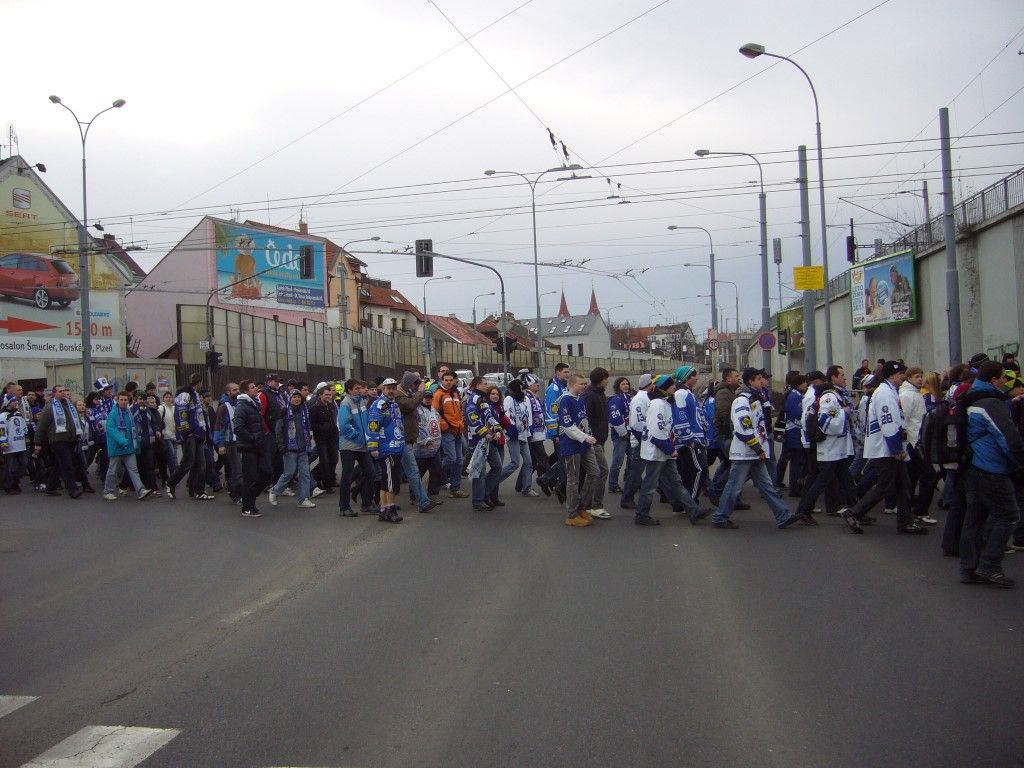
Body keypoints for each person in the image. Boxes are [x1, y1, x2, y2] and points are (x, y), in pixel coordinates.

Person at [842, 361, 928, 535]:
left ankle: (905, 521)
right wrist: (896, 449)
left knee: (903, 484)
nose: (903, 377)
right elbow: (888, 423)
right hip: (885, 448)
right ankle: (854, 512)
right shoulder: (885, 394)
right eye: (901, 374)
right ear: (892, 375)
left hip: (889, 446)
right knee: (885, 486)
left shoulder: (889, 392)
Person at [958, 361, 1024, 587]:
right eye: (1003, 378)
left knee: (974, 519)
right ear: (994, 380)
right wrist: (1020, 463)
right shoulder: (990, 403)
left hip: (972, 465)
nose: (1006, 382)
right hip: (992, 467)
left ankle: (969, 568)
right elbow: (1008, 438)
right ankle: (989, 566)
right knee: (1009, 515)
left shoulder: (971, 396)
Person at [711, 368, 802, 530]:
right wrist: (758, 448)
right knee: (734, 486)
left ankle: (783, 515)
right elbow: (742, 427)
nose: (762, 381)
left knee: (767, 486)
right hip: (744, 453)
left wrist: (760, 448)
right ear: (750, 382)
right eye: (758, 378)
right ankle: (720, 516)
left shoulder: (755, 398)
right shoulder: (742, 400)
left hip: (754, 452)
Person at [635, 375, 709, 527]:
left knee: (676, 482)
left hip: (665, 451)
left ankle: (693, 511)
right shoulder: (657, 404)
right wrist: (670, 449)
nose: (675, 387)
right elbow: (656, 433)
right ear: (665, 388)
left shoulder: (664, 403)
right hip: (656, 451)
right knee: (650, 484)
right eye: (671, 385)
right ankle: (642, 514)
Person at [794, 366, 856, 523]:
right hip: (830, 448)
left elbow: (832, 414)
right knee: (819, 482)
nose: (845, 378)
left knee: (846, 480)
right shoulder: (829, 397)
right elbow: (826, 420)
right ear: (833, 379)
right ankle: (803, 511)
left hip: (836, 449)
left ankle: (857, 510)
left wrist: (842, 413)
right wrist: (844, 413)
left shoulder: (832, 396)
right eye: (842, 375)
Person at [396, 372, 443, 514]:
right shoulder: (399, 394)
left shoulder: (407, 393)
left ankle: (423, 501)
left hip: (408, 438)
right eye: (415, 383)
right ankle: (421, 501)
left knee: (412, 472)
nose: (416, 386)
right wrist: (421, 392)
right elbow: (410, 406)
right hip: (401, 439)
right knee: (409, 472)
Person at [558, 373, 599, 527]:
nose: (584, 386)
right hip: (571, 445)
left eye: (585, 384)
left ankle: (582, 505)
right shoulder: (565, 400)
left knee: (594, 472)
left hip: (585, 443)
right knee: (572, 480)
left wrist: (589, 436)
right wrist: (585, 437)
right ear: (572, 385)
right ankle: (572, 514)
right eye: (581, 384)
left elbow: (584, 420)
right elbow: (567, 426)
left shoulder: (581, 399)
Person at [165, 373, 213, 501]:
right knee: (187, 462)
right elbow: (181, 414)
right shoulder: (185, 395)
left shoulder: (196, 395)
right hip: (189, 435)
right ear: (199, 382)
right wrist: (187, 431)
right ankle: (170, 483)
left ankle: (198, 490)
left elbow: (199, 415)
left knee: (201, 463)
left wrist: (202, 432)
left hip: (198, 434)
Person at [900, 366, 938, 525]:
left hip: (917, 440)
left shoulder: (915, 393)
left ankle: (909, 510)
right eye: (917, 376)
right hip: (914, 441)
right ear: (908, 378)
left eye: (921, 376)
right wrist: (910, 442)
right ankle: (920, 510)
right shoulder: (908, 395)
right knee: (929, 474)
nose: (920, 379)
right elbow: (905, 420)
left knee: (913, 476)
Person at [707, 368, 749, 510]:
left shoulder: (730, 391)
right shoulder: (724, 393)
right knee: (736, 465)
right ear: (728, 379)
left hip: (727, 435)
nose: (739, 378)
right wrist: (731, 431)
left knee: (729, 464)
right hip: (726, 435)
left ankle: (733, 498)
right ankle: (716, 489)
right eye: (736, 376)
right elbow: (723, 415)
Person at [269, 389, 316, 509]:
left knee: (305, 473)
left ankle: (303, 498)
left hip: (303, 448)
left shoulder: (304, 411)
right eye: (294, 397)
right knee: (289, 473)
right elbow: (278, 430)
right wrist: (281, 446)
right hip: (289, 448)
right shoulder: (284, 412)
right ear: (290, 399)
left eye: (299, 397)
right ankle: (275, 490)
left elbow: (307, 428)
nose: (297, 399)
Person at [33, 385, 83, 498]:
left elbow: (76, 421)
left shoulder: (70, 406)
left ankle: (50, 487)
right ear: (54, 394)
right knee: (67, 465)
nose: (63, 393)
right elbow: (42, 426)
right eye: (60, 391)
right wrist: (37, 443)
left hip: (70, 439)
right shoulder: (50, 407)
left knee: (59, 465)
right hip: (57, 440)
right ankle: (72, 490)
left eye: (64, 391)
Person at [367, 377, 405, 523]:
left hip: (396, 446)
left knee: (385, 480)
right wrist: (373, 446)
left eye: (393, 388)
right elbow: (373, 426)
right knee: (391, 481)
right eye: (388, 388)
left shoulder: (394, 404)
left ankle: (383, 509)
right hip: (386, 448)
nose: (391, 391)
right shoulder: (378, 405)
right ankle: (390, 509)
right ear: (382, 389)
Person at [102, 391, 152, 501]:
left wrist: (137, 440)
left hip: (129, 447)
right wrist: (122, 440)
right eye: (122, 400)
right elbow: (111, 429)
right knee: (113, 470)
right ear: (117, 400)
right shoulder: (113, 414)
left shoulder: (129, 413)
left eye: (126, 400)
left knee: (133, 469)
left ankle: (140, 490)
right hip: (117, 447)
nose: (124, 402)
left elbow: (133, 428)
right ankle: (108, 491)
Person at [671, 365, 709, 504]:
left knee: (686, 473)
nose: (697, 378)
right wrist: (689, 439)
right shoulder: (681, 393)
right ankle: (691, 503)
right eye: (694, 375)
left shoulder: (688, 393)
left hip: (695, 439)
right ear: (687, 378)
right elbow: (680, 417)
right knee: (700, 470)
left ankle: (681, 504)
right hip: (690, 440)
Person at [338, 378, 376, 517]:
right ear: (349, 390)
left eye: (360, 388)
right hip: (349, 445)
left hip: (362, 445)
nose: (360, 390)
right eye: (357, 388)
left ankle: (366, 503)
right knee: (347, 476)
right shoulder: (346, 403)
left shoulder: (362, 402)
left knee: (370, 472)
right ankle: (344, 507)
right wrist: (360, 437)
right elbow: (344, 425)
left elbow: (367, 420)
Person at [465, 376, 502, 512]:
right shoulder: (473, 398)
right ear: (477, 385)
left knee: (497, 466)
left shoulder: (483, 399)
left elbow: (489, 415)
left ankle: (485, 494)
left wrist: (497, 428)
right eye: (485, 384)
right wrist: (484, 432)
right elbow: (471, 417)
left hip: (489, 439)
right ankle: (478, 502)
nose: (488, 386)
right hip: (477, 440)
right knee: (479, 472)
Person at [620, 373, 654, 510]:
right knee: (635, 472)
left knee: (658, 470)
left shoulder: (645, 397)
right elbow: (637, 423)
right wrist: (643, 440)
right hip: (641, 441)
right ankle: (627, 498)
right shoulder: (640, 399)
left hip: (647, 439)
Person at [581, 367, 612, 519]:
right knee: (602, 470)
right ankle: (595, 505)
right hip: (594, 441)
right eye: (606, 378)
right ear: (600, 379)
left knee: (593, 473)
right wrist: (590, 438)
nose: (608, 381)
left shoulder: (600, 394)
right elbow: (586, 419)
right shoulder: (590, 396)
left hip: (600, 439)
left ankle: (585, 504)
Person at [232, 380, 266, 518]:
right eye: (252, 387)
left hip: (257, 445)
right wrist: (252, 438)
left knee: (266, 472)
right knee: (250, 477)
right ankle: (247, 506)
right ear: (246, 391)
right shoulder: (242, 406)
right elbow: (238, 427)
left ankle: (250, 500)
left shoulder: (254, 404)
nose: (255, 389)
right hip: (248, 447)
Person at [432, 371, 468, 499]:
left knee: (458, 461)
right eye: (446, 380)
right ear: (442, 380)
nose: (448, 382)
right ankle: (435, 477)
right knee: (451, 459)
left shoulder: (455, 393)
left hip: (457, 430)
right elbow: (434, 413)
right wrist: (445, 427)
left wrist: (461, 424)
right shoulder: (438, 394)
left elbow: (459, 411)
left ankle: (455, 488)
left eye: (450, 380)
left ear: (453, 381)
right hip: (447, 432)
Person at [538, 363, 570, 500]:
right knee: (564, 460)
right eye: (565, 372)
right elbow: (551, 412)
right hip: (559, 431)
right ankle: (561, 487)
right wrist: (555, 434)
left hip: (566, 429)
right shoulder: (553, 389)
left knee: (562, 458)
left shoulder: (564, 387)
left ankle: (545, 478)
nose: (567, 374)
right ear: (557, 373)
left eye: (568, 372)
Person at [500, 378, 536, 497]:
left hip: (524, 434)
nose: (523, 389)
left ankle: (527, 488)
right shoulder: (509, 399)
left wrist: (529, 429)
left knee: (528, 462)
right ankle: (493, 479)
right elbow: (507, 415)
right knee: (515, 463)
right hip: (513, 435)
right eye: (520, 388)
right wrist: (511, 429)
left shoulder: (525, 399)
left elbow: (528, 414)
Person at [412, 381, 444, 500]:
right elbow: (418, 427)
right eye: (425, 397)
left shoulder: (434, 410)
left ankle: (433, 494)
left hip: (435, 448)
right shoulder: (417, 411)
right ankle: (414, 495)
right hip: (421, 448)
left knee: (436, 471)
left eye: (430, 398)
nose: (427, 400)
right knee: (419, 473)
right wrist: (426, 440)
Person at [213, 383, 243, 504]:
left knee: (237, 470)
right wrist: (220, 444)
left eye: (238, 389)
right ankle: (236, 494)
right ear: (228, 392)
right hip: (229, 442)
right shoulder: (223, 407)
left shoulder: (239, 404)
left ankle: (235, 491)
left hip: (240, 441)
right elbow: (219, 426)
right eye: (234, 390)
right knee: (236, 470)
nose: (237, 392)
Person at [309, 383, 339, 497]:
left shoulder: (331, 406)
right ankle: (325, 484)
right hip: (321, 439)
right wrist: (323, 428)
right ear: (320, 395)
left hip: (332, 438)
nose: (329, 396)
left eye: (329, 395)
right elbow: (312, 425)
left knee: (333, 460)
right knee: (325, 461)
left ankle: (323, 479)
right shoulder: (315, 408)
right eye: (326, 394)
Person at [607, 376, 632, 493]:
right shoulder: (616, 399)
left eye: (627, 383)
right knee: (618, 461)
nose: (626, 385)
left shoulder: (629, 398)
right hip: (620, 436)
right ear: (618, 386)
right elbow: (615, 418)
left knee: (633, 458)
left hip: (631, 435)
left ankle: (629, 478)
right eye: (623, 384)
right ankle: (613, 484)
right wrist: (623, 433)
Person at [0, 397, 29, 493]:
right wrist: (3, 442)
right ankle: (9, 486)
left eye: (16, 401)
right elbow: (2, 430)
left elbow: (24, 427)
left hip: (21, 444)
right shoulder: (3, 416)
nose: (15, 402)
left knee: (23, 465)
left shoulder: (19, 414)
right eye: (13, 401)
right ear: (8, 403)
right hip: (10, 446)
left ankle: (15, 482)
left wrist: (27, 438)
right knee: (10, 467)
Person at [158, 391, 179, 477]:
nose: (169, 398)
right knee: (172, 456)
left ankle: (174, 475)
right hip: (166, 436)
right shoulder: (161, 408)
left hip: (174, 435)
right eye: (166, 397)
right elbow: (158, 420)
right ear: (163, 399)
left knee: (174, 456)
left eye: (170, 397)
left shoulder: (175, 408)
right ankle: (173, 475)